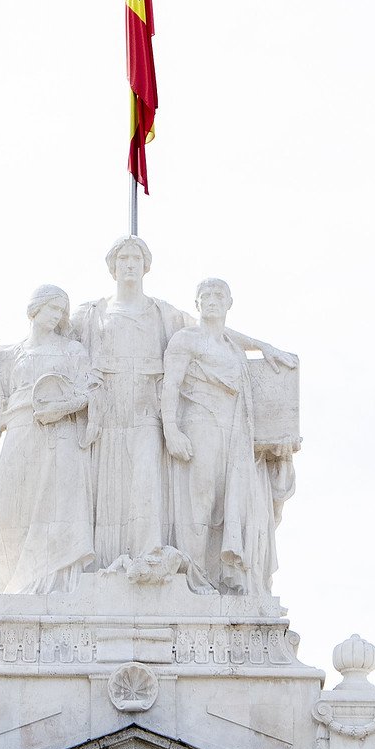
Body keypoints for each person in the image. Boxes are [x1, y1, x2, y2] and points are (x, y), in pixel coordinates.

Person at [73, 237, 296, 572]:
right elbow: (55, 338)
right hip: (108, 410)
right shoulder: (92, 313)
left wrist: (261, 346)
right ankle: (106, 568)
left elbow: (212, 329)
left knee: (147, 482)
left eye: (136, 257)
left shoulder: (163, 313)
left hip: (148, 408)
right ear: (112, 266)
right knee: (107, 489)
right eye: (123, 258)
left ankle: (150, 559)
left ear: (146, 266)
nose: (130, 264)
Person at [0, 286, 94, 594]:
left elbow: (89, 393)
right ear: (34, 309)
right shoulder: (9, 356)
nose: (57, 316)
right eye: (52, 308)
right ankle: (13, 589)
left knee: (57, 514)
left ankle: (53, 588)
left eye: (61, 311)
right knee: (11, 517)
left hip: (59, 437)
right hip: (20, 435)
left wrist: (59, 408)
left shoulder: (72, 351)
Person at [161, 279, 278, 596]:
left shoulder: (230, 346)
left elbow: (231, 337)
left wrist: (265, 348)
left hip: (234, 429)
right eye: (205, 296)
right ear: (196, 304)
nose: (212, 300)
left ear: (229, 303)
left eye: (218, 295)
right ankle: (195, 577)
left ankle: (220, 574)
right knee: (200, 499)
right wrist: (171, 429)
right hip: (200, 421)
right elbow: (170, 385)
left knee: (228, 504)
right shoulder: (185, 339)